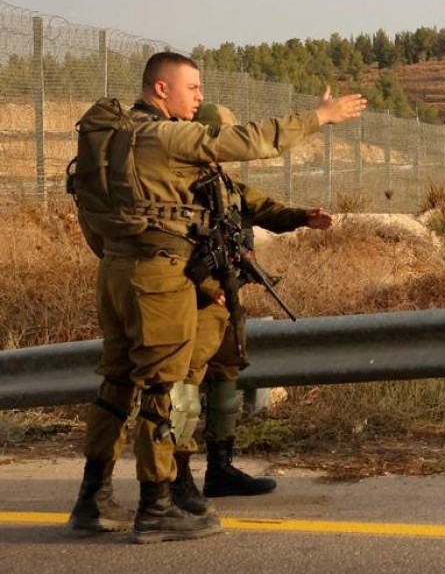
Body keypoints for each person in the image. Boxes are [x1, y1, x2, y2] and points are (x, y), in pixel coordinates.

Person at [68, 52, 365, 543]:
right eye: (194, 87)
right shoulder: (163, 136)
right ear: (161, 89)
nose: (200, 96)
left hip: (119, 269)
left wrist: (291, 217)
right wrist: (319, 118)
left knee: (117, 383)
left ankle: (91, 498)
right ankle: (157, 506)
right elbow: (246, 141)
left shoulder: (119, 139)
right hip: (159, 276)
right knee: (163, 388)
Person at [168, 102, 334, 514]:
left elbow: (260, 207)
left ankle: (220, 469)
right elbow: (170, 247)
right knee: (185, 385)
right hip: (195, 299)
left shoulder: (223, 180)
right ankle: (177, 474)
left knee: (226, 374)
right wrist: (208, 287)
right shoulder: (176, 183)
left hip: (228, 293)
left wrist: (302, 217)